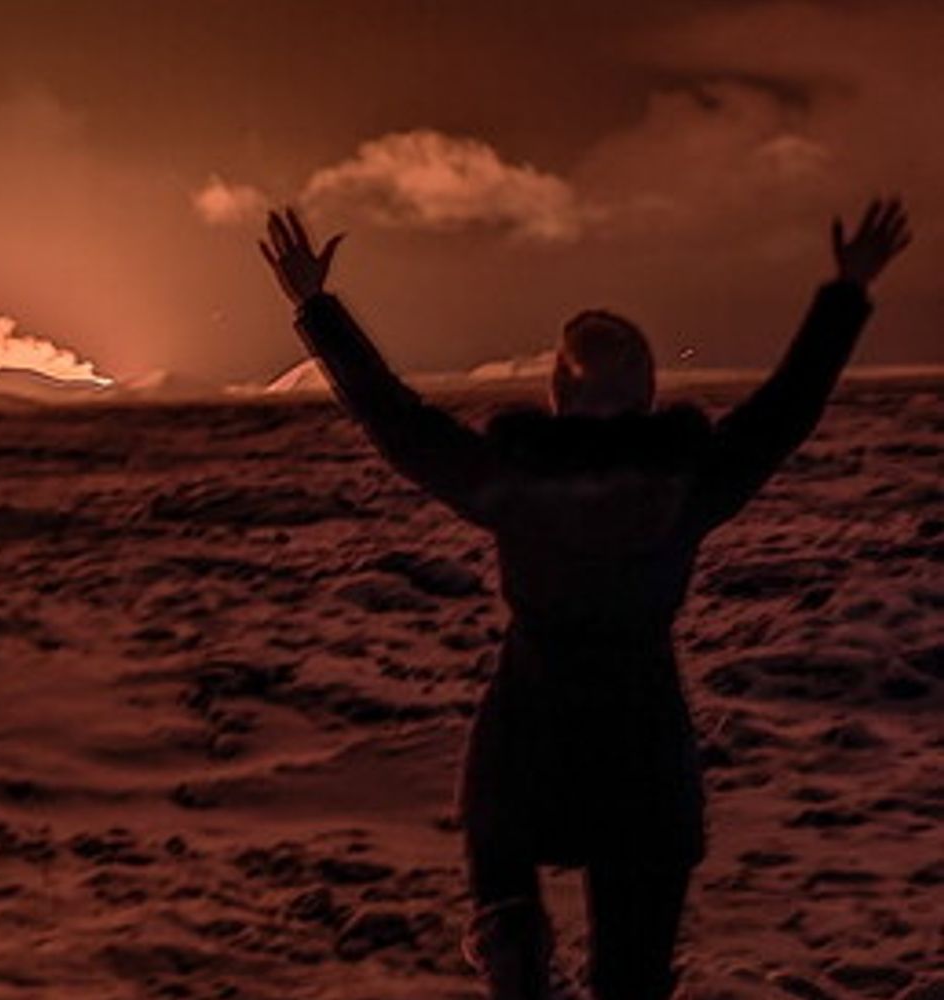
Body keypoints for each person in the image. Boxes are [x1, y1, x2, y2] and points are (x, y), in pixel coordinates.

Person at [258, 200, 912, 999]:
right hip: (644, 749)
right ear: (647, 391)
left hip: (528, 736)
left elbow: (394, 420)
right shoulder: (688, 479)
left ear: (558, 395)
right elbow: (786, 408)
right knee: (632, 973)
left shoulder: (511, 479)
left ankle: (514, 953)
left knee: (502, 882)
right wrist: (846, 292)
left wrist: (315, 308)